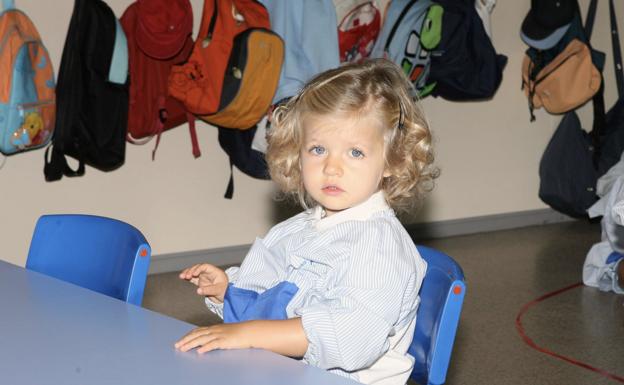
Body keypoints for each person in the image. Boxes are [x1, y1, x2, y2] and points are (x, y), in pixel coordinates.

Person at [175, 58, 438, 385]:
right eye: (318, 149)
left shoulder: (379, 248)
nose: (332, 167)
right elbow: (271, 303)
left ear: (392, 161)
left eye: (355, 152)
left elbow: (349, 339)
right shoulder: (293, 230)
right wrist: (228, 292)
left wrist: (250, 333)